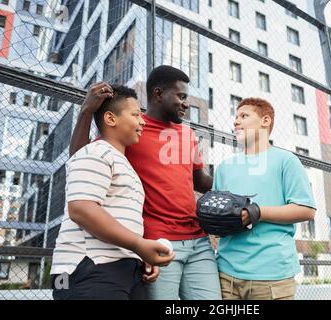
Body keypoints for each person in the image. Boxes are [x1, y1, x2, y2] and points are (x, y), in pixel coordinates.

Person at [69, 66, 221, 300]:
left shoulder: (187, 134)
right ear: (158, 94)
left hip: (199, 241)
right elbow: (82, 159)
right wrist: (86, 112)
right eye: (181, 96)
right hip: (158, 240)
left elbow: (199, 180)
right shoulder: (131, 130)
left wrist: (234, 185)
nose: (186, 103)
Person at [50, 84, 175, 300]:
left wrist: (139, 254)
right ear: (110, 119)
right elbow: (80, 209)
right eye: (136, 114)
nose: (142, 121)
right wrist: (139, 244)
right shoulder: (95, 152)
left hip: (125, 269)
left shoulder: (122, 163)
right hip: (87, 268)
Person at [212, 98, 316, 300]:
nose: (236, 121)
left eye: (244, 115)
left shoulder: (286, 161)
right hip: (225, 274)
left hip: (272, 276)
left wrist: (257, 212)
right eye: (235, 117)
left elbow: (306, 209)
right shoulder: (224, 167)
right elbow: (218, 219)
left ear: (265, 121)